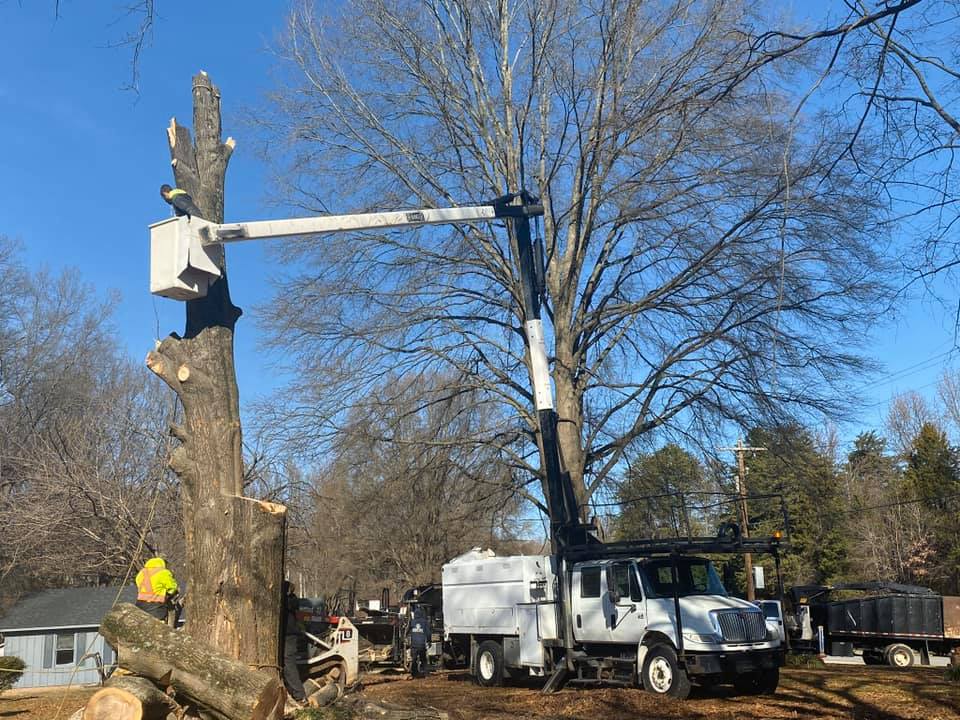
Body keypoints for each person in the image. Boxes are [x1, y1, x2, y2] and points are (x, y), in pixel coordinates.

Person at [281, 581, 307, 703]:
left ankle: (300, 695)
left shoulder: (290, 600)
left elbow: (292, 605)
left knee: (288, 662)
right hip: (285, 635)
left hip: (289, 635)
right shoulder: (289, 600)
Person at [135, 557, 179, 623]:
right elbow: (173, 587)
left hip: (140, 605)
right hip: (156, 607)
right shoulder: (163, 572)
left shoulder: (141, 573)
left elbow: (139, 585)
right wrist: (169, 594)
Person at [408, 606, 430, 678]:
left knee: (414, 659)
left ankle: (414, 674)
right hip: (421, 645)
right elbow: (428, 633)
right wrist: (429, 641)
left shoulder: (412, 622)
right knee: (423, 659)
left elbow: (408, 631)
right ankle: (426, 674)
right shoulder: (424, 622)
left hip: (414, 644)